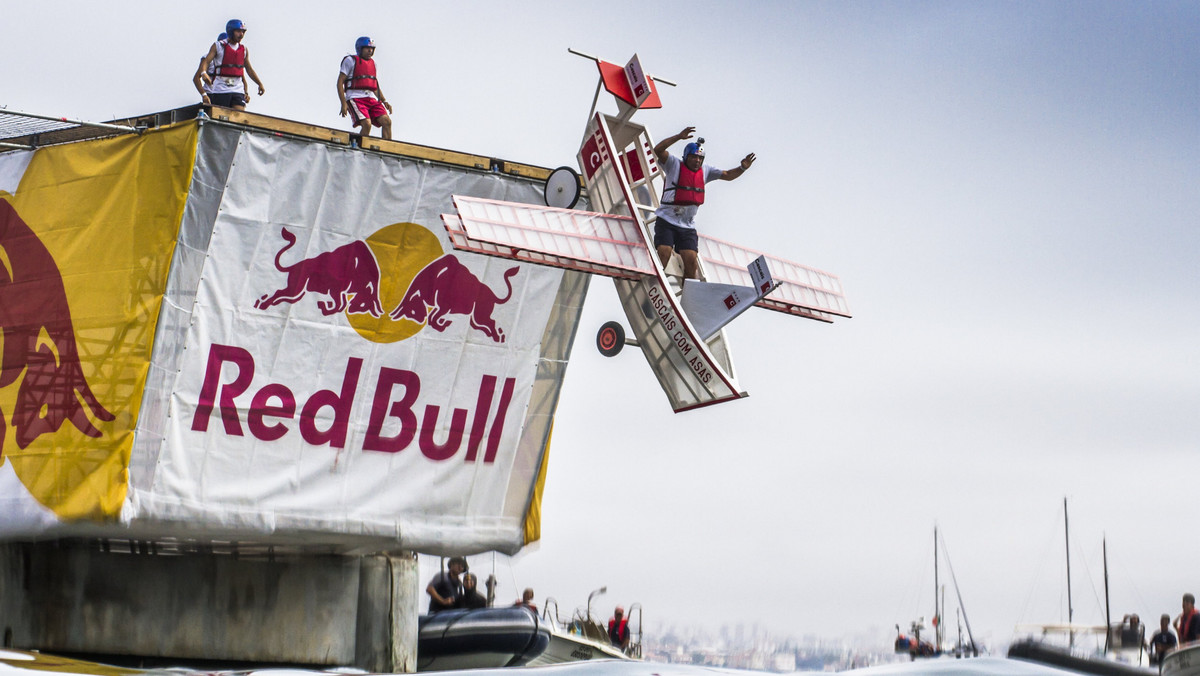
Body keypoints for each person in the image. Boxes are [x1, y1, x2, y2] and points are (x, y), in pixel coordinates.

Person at [651, 126, 755, 280]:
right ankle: (655, 280)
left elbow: (727, 175)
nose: (697, 161)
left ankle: (688, 294)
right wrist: (678, 137)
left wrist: (742, 168)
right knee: (664, 252)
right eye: (694, 157)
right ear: (686, 156)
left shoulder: (706, 171)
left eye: (700, 158)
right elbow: (658, 149)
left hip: (687, 226)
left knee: (691, 260)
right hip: (667, 220)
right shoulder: (673, 164)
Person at [195, 20, 265, 110]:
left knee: (239, 116)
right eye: (238, 31)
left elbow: (249, 69)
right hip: (220, 90)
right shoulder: (218, 46)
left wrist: (259, 83)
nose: (241, 34)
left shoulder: (243, 49)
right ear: (231, 31)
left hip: (237, 89)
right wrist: (204, 72)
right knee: (222, 117)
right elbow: (206, 61)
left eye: (243, 32)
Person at [338, 37, 394, 139]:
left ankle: (387, 148)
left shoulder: (373, 64)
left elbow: (374, 85)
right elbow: (340, 82)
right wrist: (343, 103)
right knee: (366, 124)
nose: (370, 51)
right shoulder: (350, 61)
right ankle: (360, 147)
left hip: (371, 98)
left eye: (372, 49)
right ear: (360, 48)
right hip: (355, 97)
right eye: (367, 48)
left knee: (387, 121)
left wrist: (384, 101)